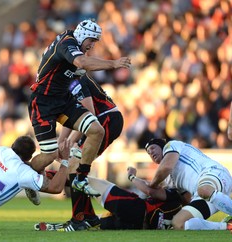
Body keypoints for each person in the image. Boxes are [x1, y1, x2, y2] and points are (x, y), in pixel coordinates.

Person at [28, 19, 131, 197]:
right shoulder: (67, 43)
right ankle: (26, 177)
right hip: (43, 102)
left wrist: (66, 140)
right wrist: (113, 63)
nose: (92, 45)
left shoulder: (75, 54)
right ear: (82, 35)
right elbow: (82, 63)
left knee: (96, 130)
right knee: (50, 155)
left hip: (63, 100)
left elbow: (82, 67)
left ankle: (81, 177)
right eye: (91, 40)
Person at [55, 71, 124, 230]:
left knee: (74, 164)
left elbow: (89, 113)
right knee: (75, 166)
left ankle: (79, 219)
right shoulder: (66, 82)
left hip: (105, 119)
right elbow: (72, 118)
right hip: (100, 121)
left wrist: (69, 142)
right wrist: (61, 143)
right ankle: (88, 217)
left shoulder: (73, 81)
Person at [36, 168, 186, 231]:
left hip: (136, 209)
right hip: (135, 225)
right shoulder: (183, 214)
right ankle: (59, 227)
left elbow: (149, 191)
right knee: (91, 224)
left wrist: (132, 176)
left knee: (84, 181)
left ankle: (41, 178)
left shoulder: (175, 197)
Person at [144, 138, 232, 230]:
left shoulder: (171, 145)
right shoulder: (168, 179)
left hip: (214, 173)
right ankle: (227, 227)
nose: (151, 153)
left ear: (161, 146)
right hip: (204, 196)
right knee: (178, 223)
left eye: (153, 148)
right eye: (149, 153)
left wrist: (152, 184)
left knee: (204, 190)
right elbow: (186, 199)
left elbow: (166, 167)